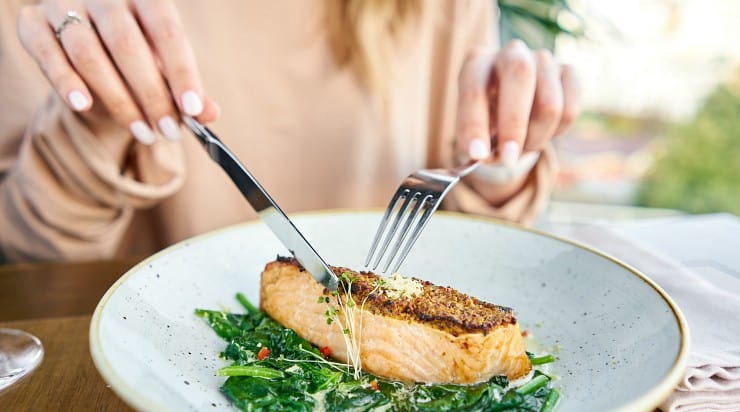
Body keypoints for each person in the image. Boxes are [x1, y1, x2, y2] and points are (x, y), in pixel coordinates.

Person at [0, 0, 579, 262]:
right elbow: (32, 261)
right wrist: (95, 123)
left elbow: (481, 253)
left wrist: (500, 155)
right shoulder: (60, 12)